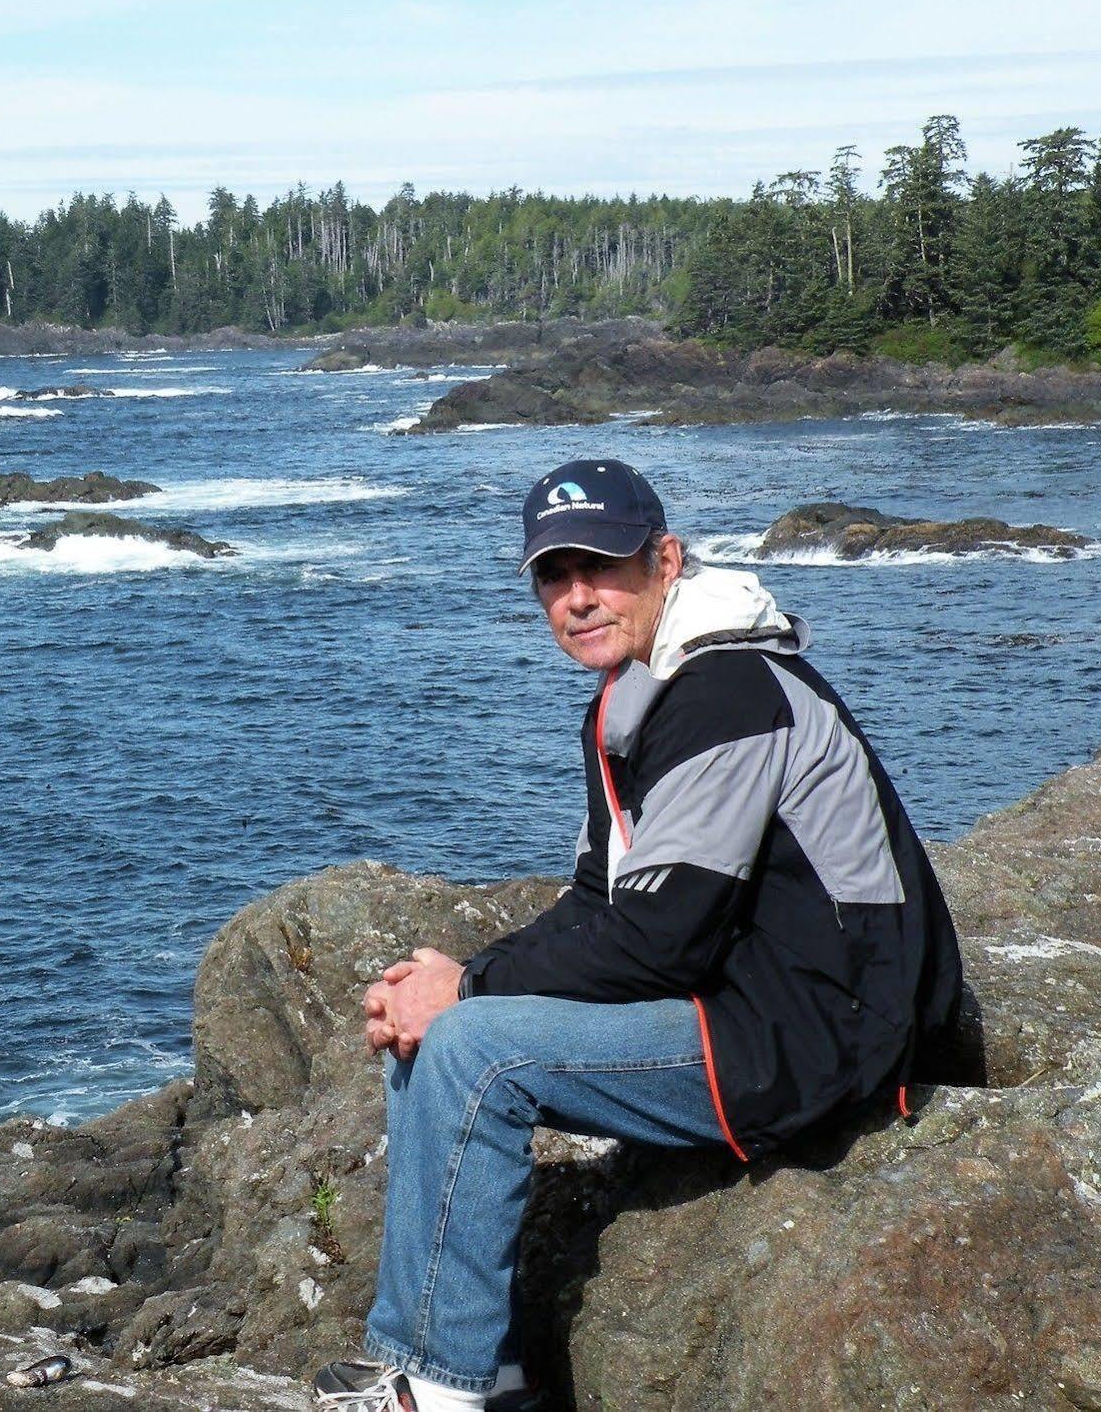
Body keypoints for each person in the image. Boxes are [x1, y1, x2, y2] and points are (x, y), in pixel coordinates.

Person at [314, 459, 962, 1412]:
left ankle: (433, 1389)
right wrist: (455, 976)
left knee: (473, 1051)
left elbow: (658, 938)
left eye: (602, 567)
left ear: (665, 558)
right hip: (742, 1003)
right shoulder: (638, 697)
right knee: (434, 1028)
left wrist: (472, 993)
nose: (577, 598)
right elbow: (595, 901)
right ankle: (472, 1364)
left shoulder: (729, 692)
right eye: (552, 575)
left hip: (820, 1037)